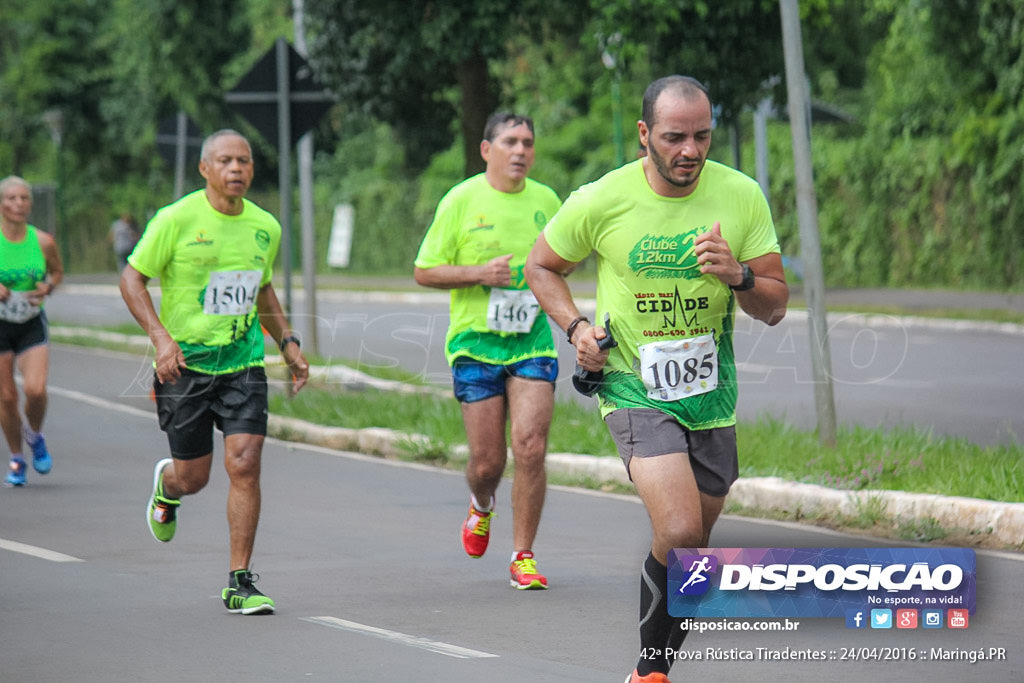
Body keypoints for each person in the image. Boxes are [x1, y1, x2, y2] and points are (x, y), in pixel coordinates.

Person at [525, 76, 788, 682]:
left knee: (691, 550)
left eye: (701, 136)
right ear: (646, 135)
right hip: (630, 383)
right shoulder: (601, 198)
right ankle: (652, 670)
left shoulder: (741, 194)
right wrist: (576, 328)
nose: (690, 151)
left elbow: (774, 306)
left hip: (710, 391)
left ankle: (658, 664)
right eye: (674, 137)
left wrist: (739, 276)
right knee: (679, 528)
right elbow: (542, 265)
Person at [120, 129, 309, 615]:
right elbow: (132, 278)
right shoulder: (176, 219)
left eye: (244, 161)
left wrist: (287, 343)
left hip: (242, 364)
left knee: (245, 462)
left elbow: (262, 290)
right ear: (205, 168)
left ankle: (239, 581)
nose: (236, 169)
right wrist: (162, 339)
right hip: (185, 365)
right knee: (195, 478)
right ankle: (168, 487)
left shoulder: (265, 227)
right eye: (225, 161)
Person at [413, 112, 562, 590]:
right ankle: (481, 505)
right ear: (487, 150)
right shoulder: (460, 200)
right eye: (510, 142)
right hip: (475, 344)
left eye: (528, 143)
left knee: (531, 447)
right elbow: (424, 270)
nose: (520, 151)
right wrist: (479, 273)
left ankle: (523, 555)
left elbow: (564, 259)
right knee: (487, 463)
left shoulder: (547, 201)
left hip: (531, 341)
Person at [0, 176, 63, 487]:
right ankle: (16, 457)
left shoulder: (42, 241)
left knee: (36, 390)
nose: (18, 204)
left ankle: (34, 435)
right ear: (1, 203)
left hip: (30, 322)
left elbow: (58, 272)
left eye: (23, 198)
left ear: (30, 204)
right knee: (7, 396)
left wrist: (47, 287)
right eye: (11, 198)